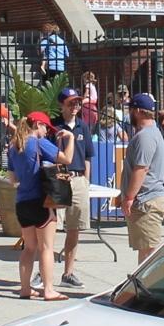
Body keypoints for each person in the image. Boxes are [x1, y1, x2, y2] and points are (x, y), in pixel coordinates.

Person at [9, 112, 70, 299]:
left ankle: (25, 288)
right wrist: (71, 139)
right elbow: (66, 159)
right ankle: (49, 290)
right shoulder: (38, 143)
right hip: (40, 201)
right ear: (36, 124)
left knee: (29, 247)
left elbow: (13, 179)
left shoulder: (13, 146)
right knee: (46, 247)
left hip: (22, 202)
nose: (46, 132)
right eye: (45, 127)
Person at [119, 92, 164, 264]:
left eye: (131, 110)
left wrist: (129, 197)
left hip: (146, 200)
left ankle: (144, 288)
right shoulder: (151, 133)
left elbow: (141, 169)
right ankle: (141, 288)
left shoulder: (145, 136)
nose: (129, 114)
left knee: (148, 252)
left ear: (139, 111)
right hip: (147, 199)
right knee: (146, 250)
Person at [54, 88, 97, 288]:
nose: (75, 107)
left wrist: (86, 182)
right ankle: (41, 271)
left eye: (78, 103)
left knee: (75, 228)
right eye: (71, 103)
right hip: (59, 178)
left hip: (78, 179)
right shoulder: (54, 126)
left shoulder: (83, 127)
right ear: (61, 105)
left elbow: (88, 156)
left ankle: (68, 273)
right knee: (50, 227)